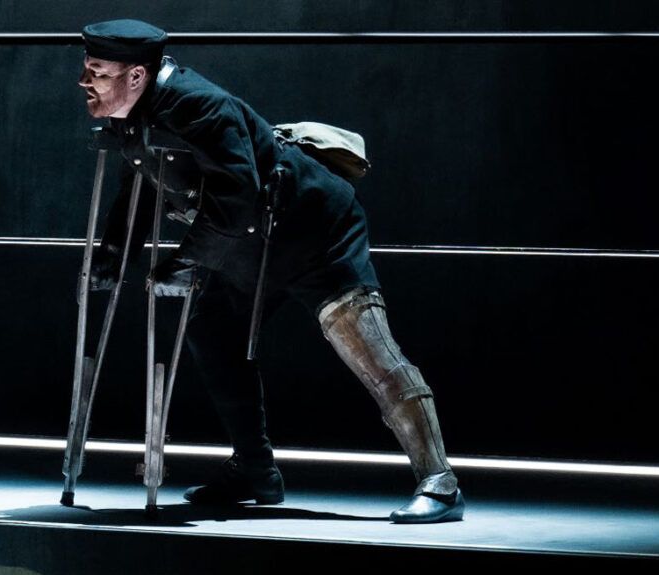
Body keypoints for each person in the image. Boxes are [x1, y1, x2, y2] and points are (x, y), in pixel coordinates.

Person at [77, 19, 464, 524]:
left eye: (98, 72)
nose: (86, 82)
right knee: (213, 333)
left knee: (367, 348)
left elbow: (237, 198)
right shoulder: (134, 112)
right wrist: (114, 254)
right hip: (250, 248)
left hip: (313, 233)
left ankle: (441, 480)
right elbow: (148, 178)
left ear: (136, 76)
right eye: (86, 70)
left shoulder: (201, 106)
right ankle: (255, 469)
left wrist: (185, 259)